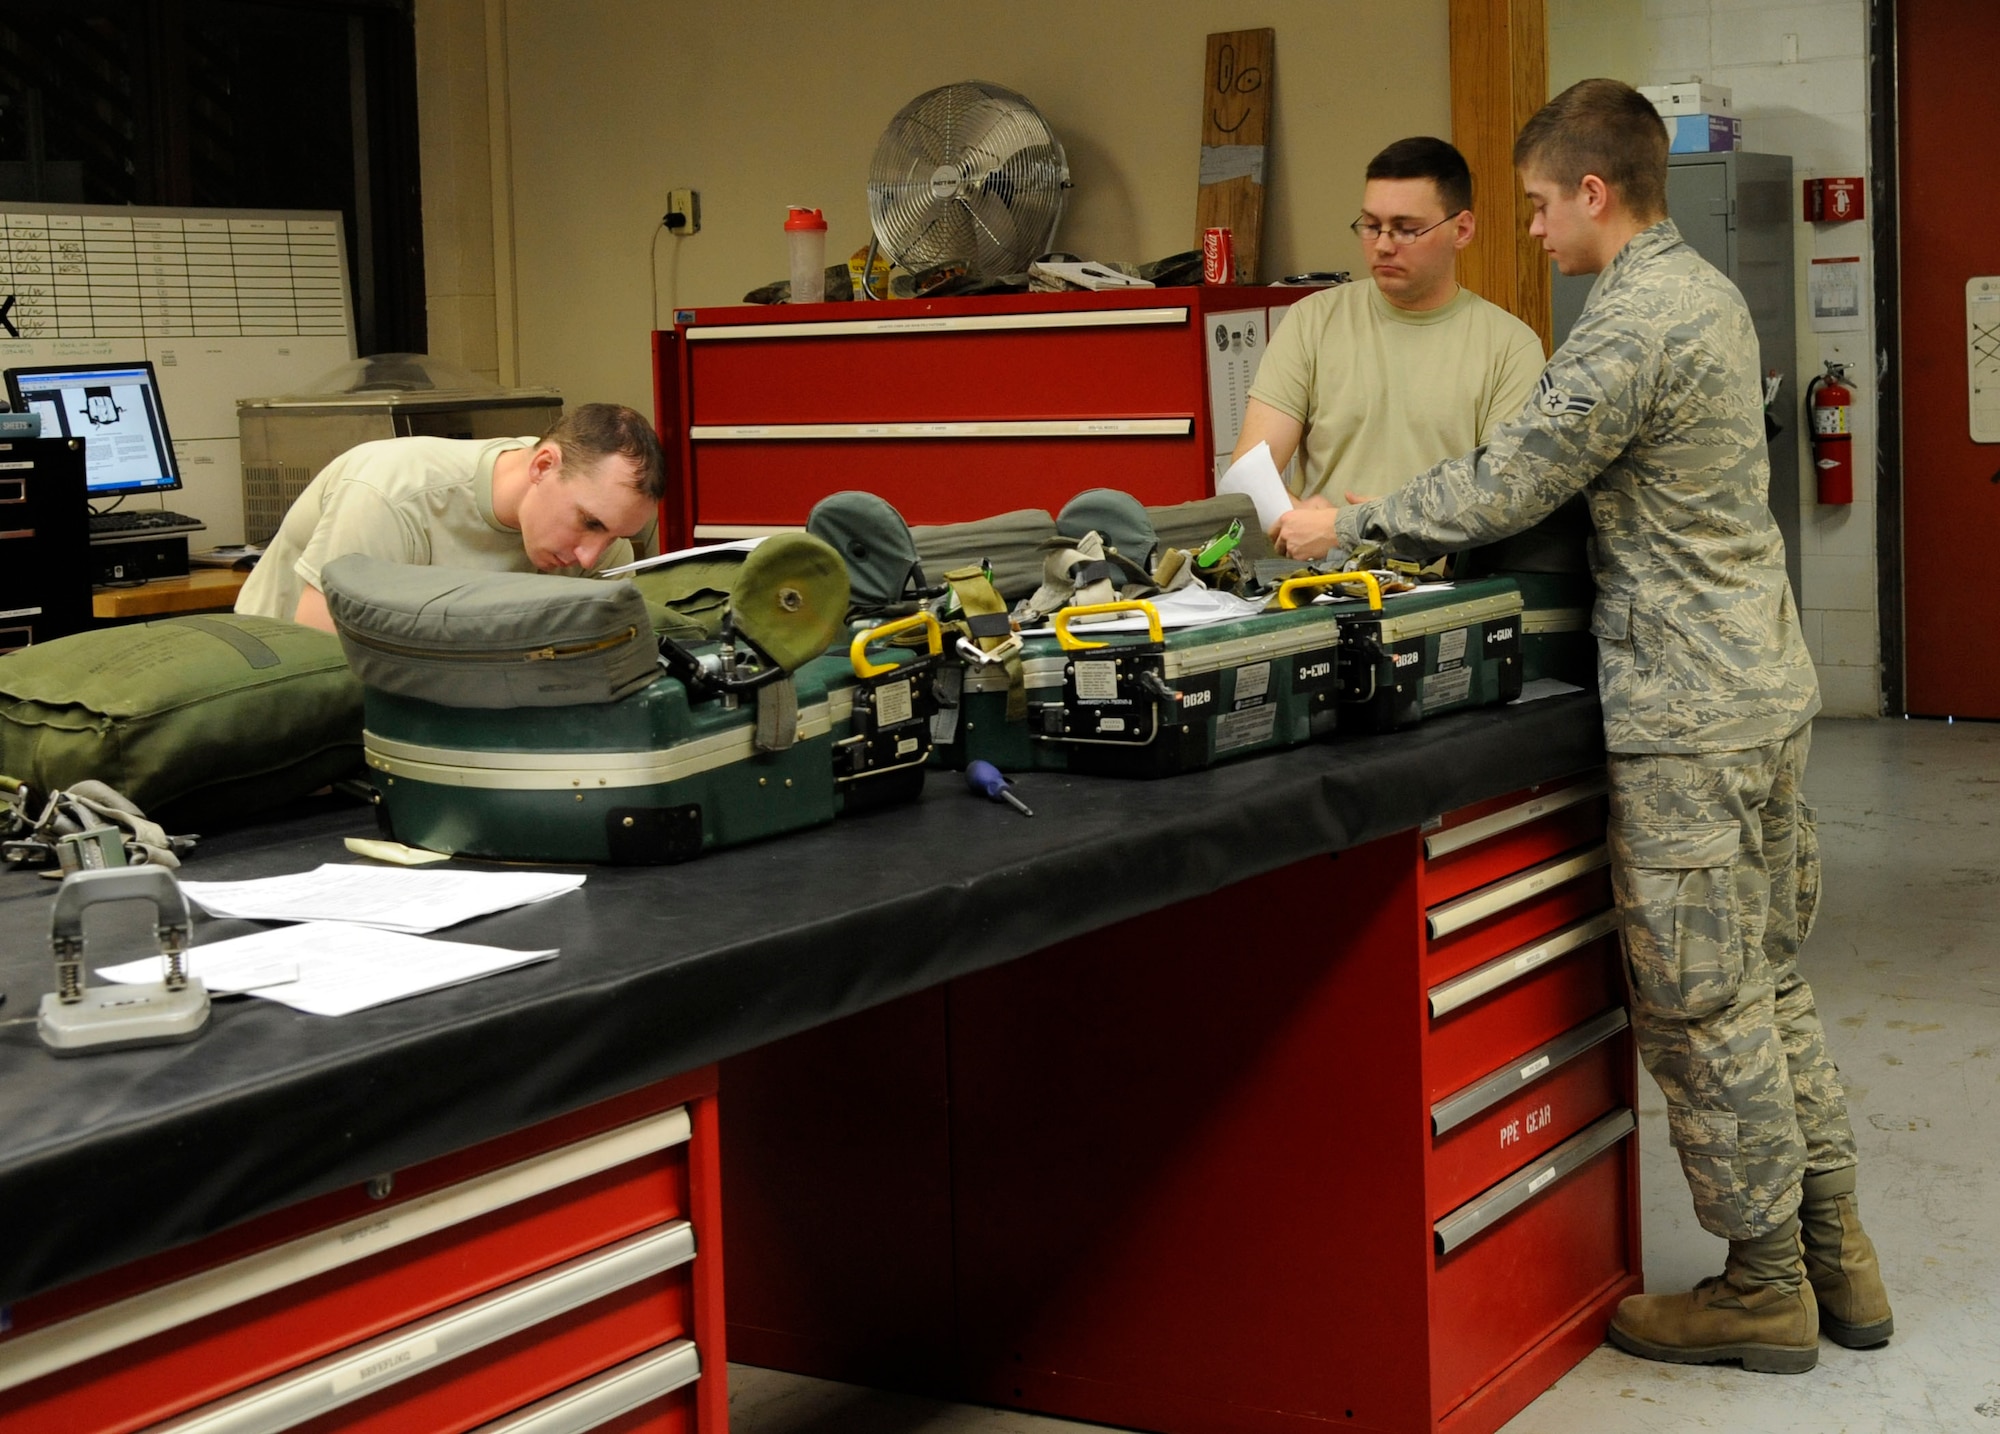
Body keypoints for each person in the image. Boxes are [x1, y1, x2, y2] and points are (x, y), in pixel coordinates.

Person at [1275, 79, 1891, 1375]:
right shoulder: (1708, 292)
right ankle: (1838, 1254)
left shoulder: (1629, 324)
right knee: (1772, 981)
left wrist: (1351, 521)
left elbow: (1514, 478)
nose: (1537, 229)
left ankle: (1763, 1288)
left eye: (1545, 205)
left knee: (1700, 1007)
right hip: (1763, 691)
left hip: (1687, 713)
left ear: (1595, 194)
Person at [1232, 135, 1544, 527]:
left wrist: (1351, 529)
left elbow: (1501, 502)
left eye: (1405, 229)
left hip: (1446, 581)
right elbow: (1248, 474)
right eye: (1371, 226)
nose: (1382, 245)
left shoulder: (1510, 348)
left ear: (1461, 230)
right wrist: (1298, 520)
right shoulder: (1311, 321)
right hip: (1320, 577)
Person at [236, 402, 665, 633]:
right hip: (283, 698)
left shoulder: (601, 526)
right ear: (541, 467)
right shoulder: (391, 493)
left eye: (613, 536)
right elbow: (321, 652)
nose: (591, 557)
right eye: (588, 523)